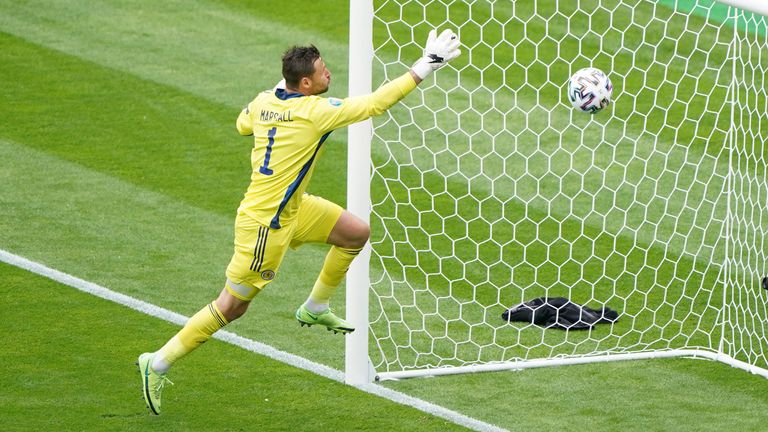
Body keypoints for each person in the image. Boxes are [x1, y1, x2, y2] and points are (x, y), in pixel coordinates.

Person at [136, 29, 461, 415]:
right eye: (323, 71)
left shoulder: (262, 102)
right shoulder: (317, 112)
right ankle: (157, 363)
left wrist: (279, 99)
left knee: (355, 233)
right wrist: (427, 64)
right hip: (264, 226)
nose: (330, 75)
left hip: (295, 208)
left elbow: (243, 124)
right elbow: (375, 104)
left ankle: (315, 305)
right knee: (233, 306)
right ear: (305, 83)